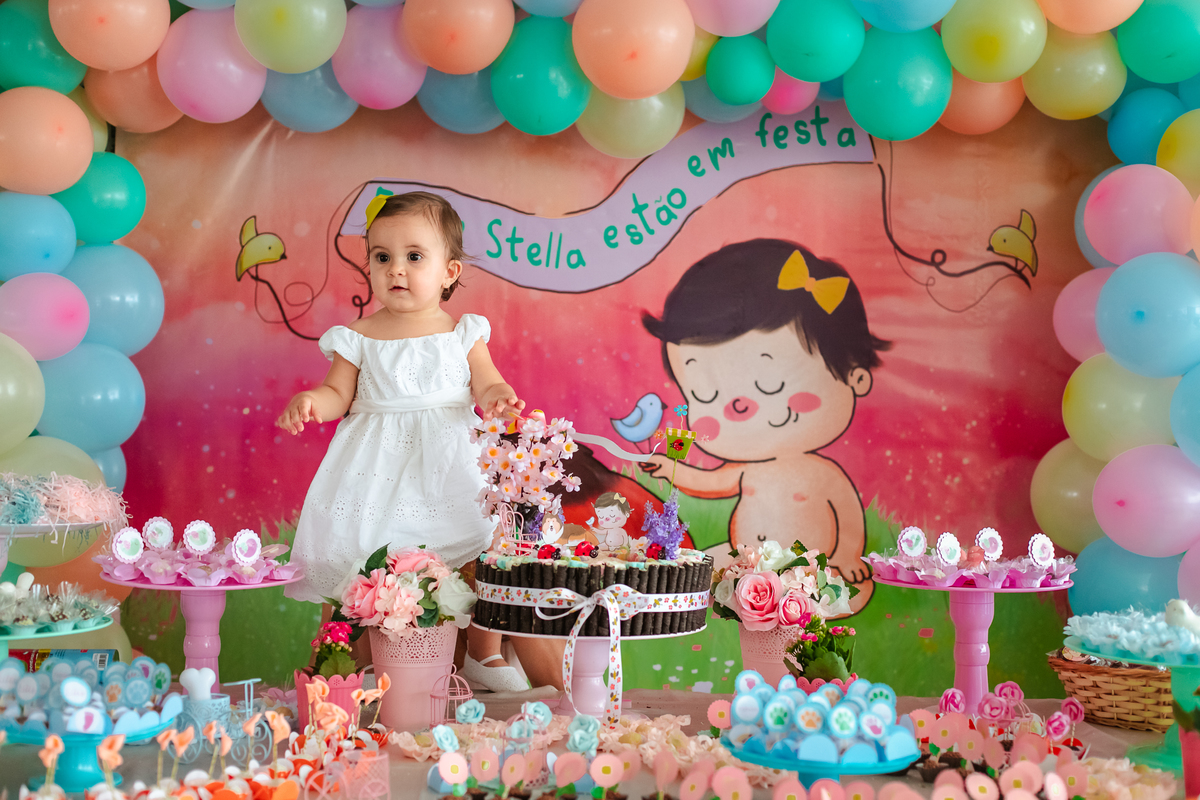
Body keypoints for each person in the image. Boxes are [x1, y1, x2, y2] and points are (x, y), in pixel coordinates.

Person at [276, 190, 557, 692]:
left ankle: (481, 652)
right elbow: (339, 393)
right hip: (374, 468)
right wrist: (313, 401)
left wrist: (497, 395)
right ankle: (361, 665)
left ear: (450, 271)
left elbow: (485, 380)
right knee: (363, 558)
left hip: (447, 463)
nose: (396, 270)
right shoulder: (358, 336)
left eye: (413, 257)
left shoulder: (461, 333)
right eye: (382, 258)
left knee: (476, 550)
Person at [643, 239, 890, 612]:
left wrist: (849, 556)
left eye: (771, 384)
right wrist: (668, 469)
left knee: (832, 598)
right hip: (749, 565)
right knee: (699, 573)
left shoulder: (821, 474)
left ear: (855, 376)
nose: (738, 408)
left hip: (809, 566)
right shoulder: (745, 469)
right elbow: (710, 483)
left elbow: (849, 513)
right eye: (705, 394)